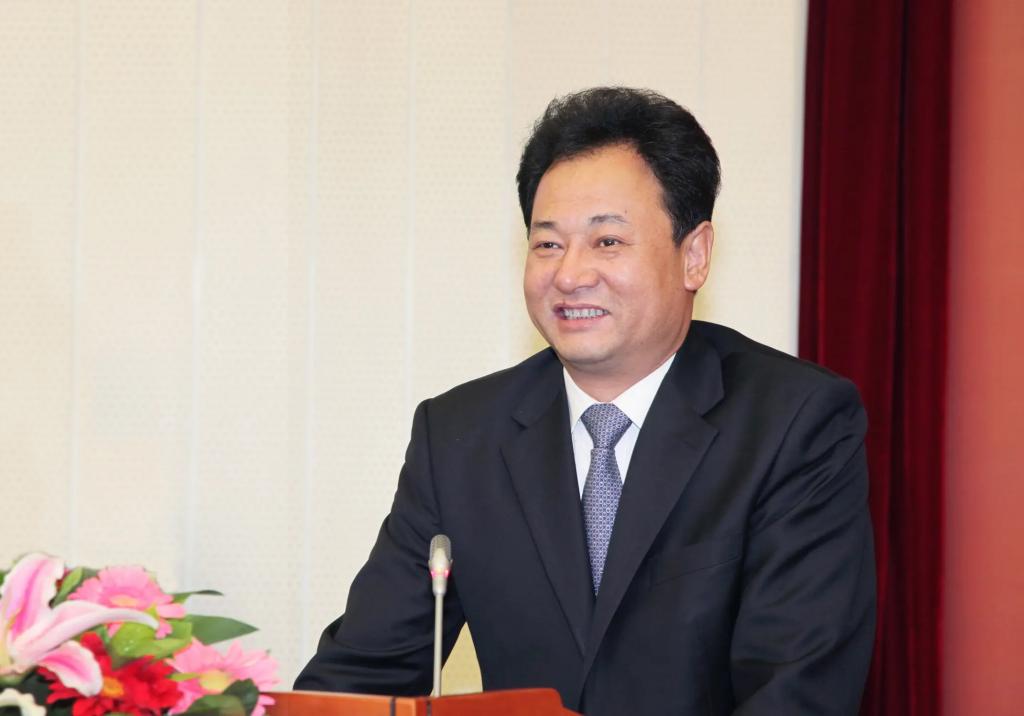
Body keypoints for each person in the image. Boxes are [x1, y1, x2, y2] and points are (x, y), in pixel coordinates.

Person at [295, 87, 875, 715]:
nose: (569, 275)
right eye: (547, 244)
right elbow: (361, 676)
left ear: (694, 255)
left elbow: (797, 692)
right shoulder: (461, 437)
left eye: (607, 242)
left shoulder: (792, 423)